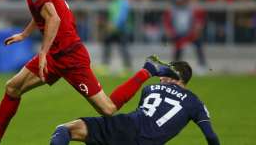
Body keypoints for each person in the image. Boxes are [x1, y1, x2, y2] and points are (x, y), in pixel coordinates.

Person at [0, 0, 180, 145]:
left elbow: (54, 19)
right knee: (12, 87)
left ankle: (148, 70)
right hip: (56, 54)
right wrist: (24, 35)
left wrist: (43, 53)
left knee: (108, 109)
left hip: (70, 57)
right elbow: (43, 15)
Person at [50, 60, 220, 145]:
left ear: (172, 77)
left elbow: (140, 115)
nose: (161, 77)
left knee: (66, 129)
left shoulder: (150, 89)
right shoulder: (196, 103)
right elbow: (211, 136)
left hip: (125, 128)